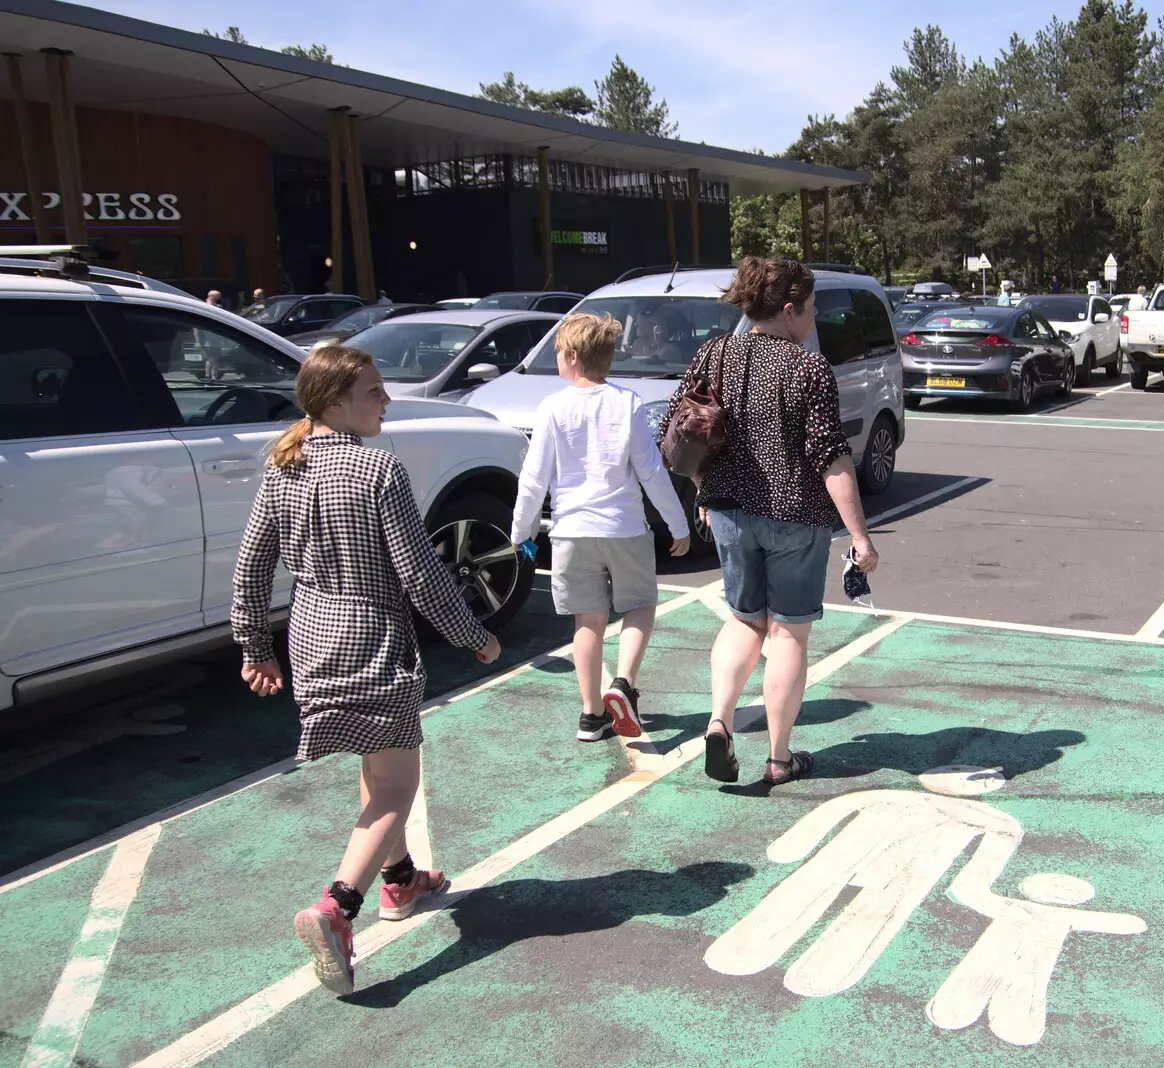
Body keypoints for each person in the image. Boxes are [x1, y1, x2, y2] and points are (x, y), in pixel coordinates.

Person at [231, 344, 502, 996]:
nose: (385, 400)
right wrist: (475, 637)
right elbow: (420, 575)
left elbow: (250, 566)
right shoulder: (378, 470)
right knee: (394, 787)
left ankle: (402, 879)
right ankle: (337, 907)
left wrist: (253, 647)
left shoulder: (282, 465)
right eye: (375, 392)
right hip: (373, 640)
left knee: (374, 765)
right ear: (334, 403)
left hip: (310, 636)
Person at [660, 257, 880, 788]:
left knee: (742, 621)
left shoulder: (713, 354)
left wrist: (703, 491)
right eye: (810, 307)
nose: (815, 316)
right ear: (789, 310)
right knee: (788, 635)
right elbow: (831, 456)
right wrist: (859, 536)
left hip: (729, 513)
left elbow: (679, 430)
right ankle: (779, 757)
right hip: (794, 516)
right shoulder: (807, 368)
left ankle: (718, 721)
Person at [510, 313, 690, 742]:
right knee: (640, 605)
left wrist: (522, 532)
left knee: (586, 622)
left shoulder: (552, 408)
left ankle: (591, 716)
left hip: (571, 530)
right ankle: (624, 683)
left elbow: (534, 479)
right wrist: (677, 524)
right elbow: (651, 471)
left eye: (557, 353)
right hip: (624, 525)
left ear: (572, 357)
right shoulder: (627, 403)